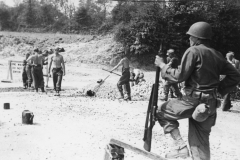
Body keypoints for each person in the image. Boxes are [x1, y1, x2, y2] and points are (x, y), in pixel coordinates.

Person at [154, 22, 240, 159]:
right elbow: (235, 75)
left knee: (161, 111)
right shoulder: (217, 54)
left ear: (197, 38)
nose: (189, 40)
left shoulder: (193, 51)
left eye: (190, 37)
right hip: (209, 105)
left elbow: (179, 76)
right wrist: (218, 91)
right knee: (200, 141)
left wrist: (162, 65)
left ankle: (180, 147)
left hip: (193, 101)